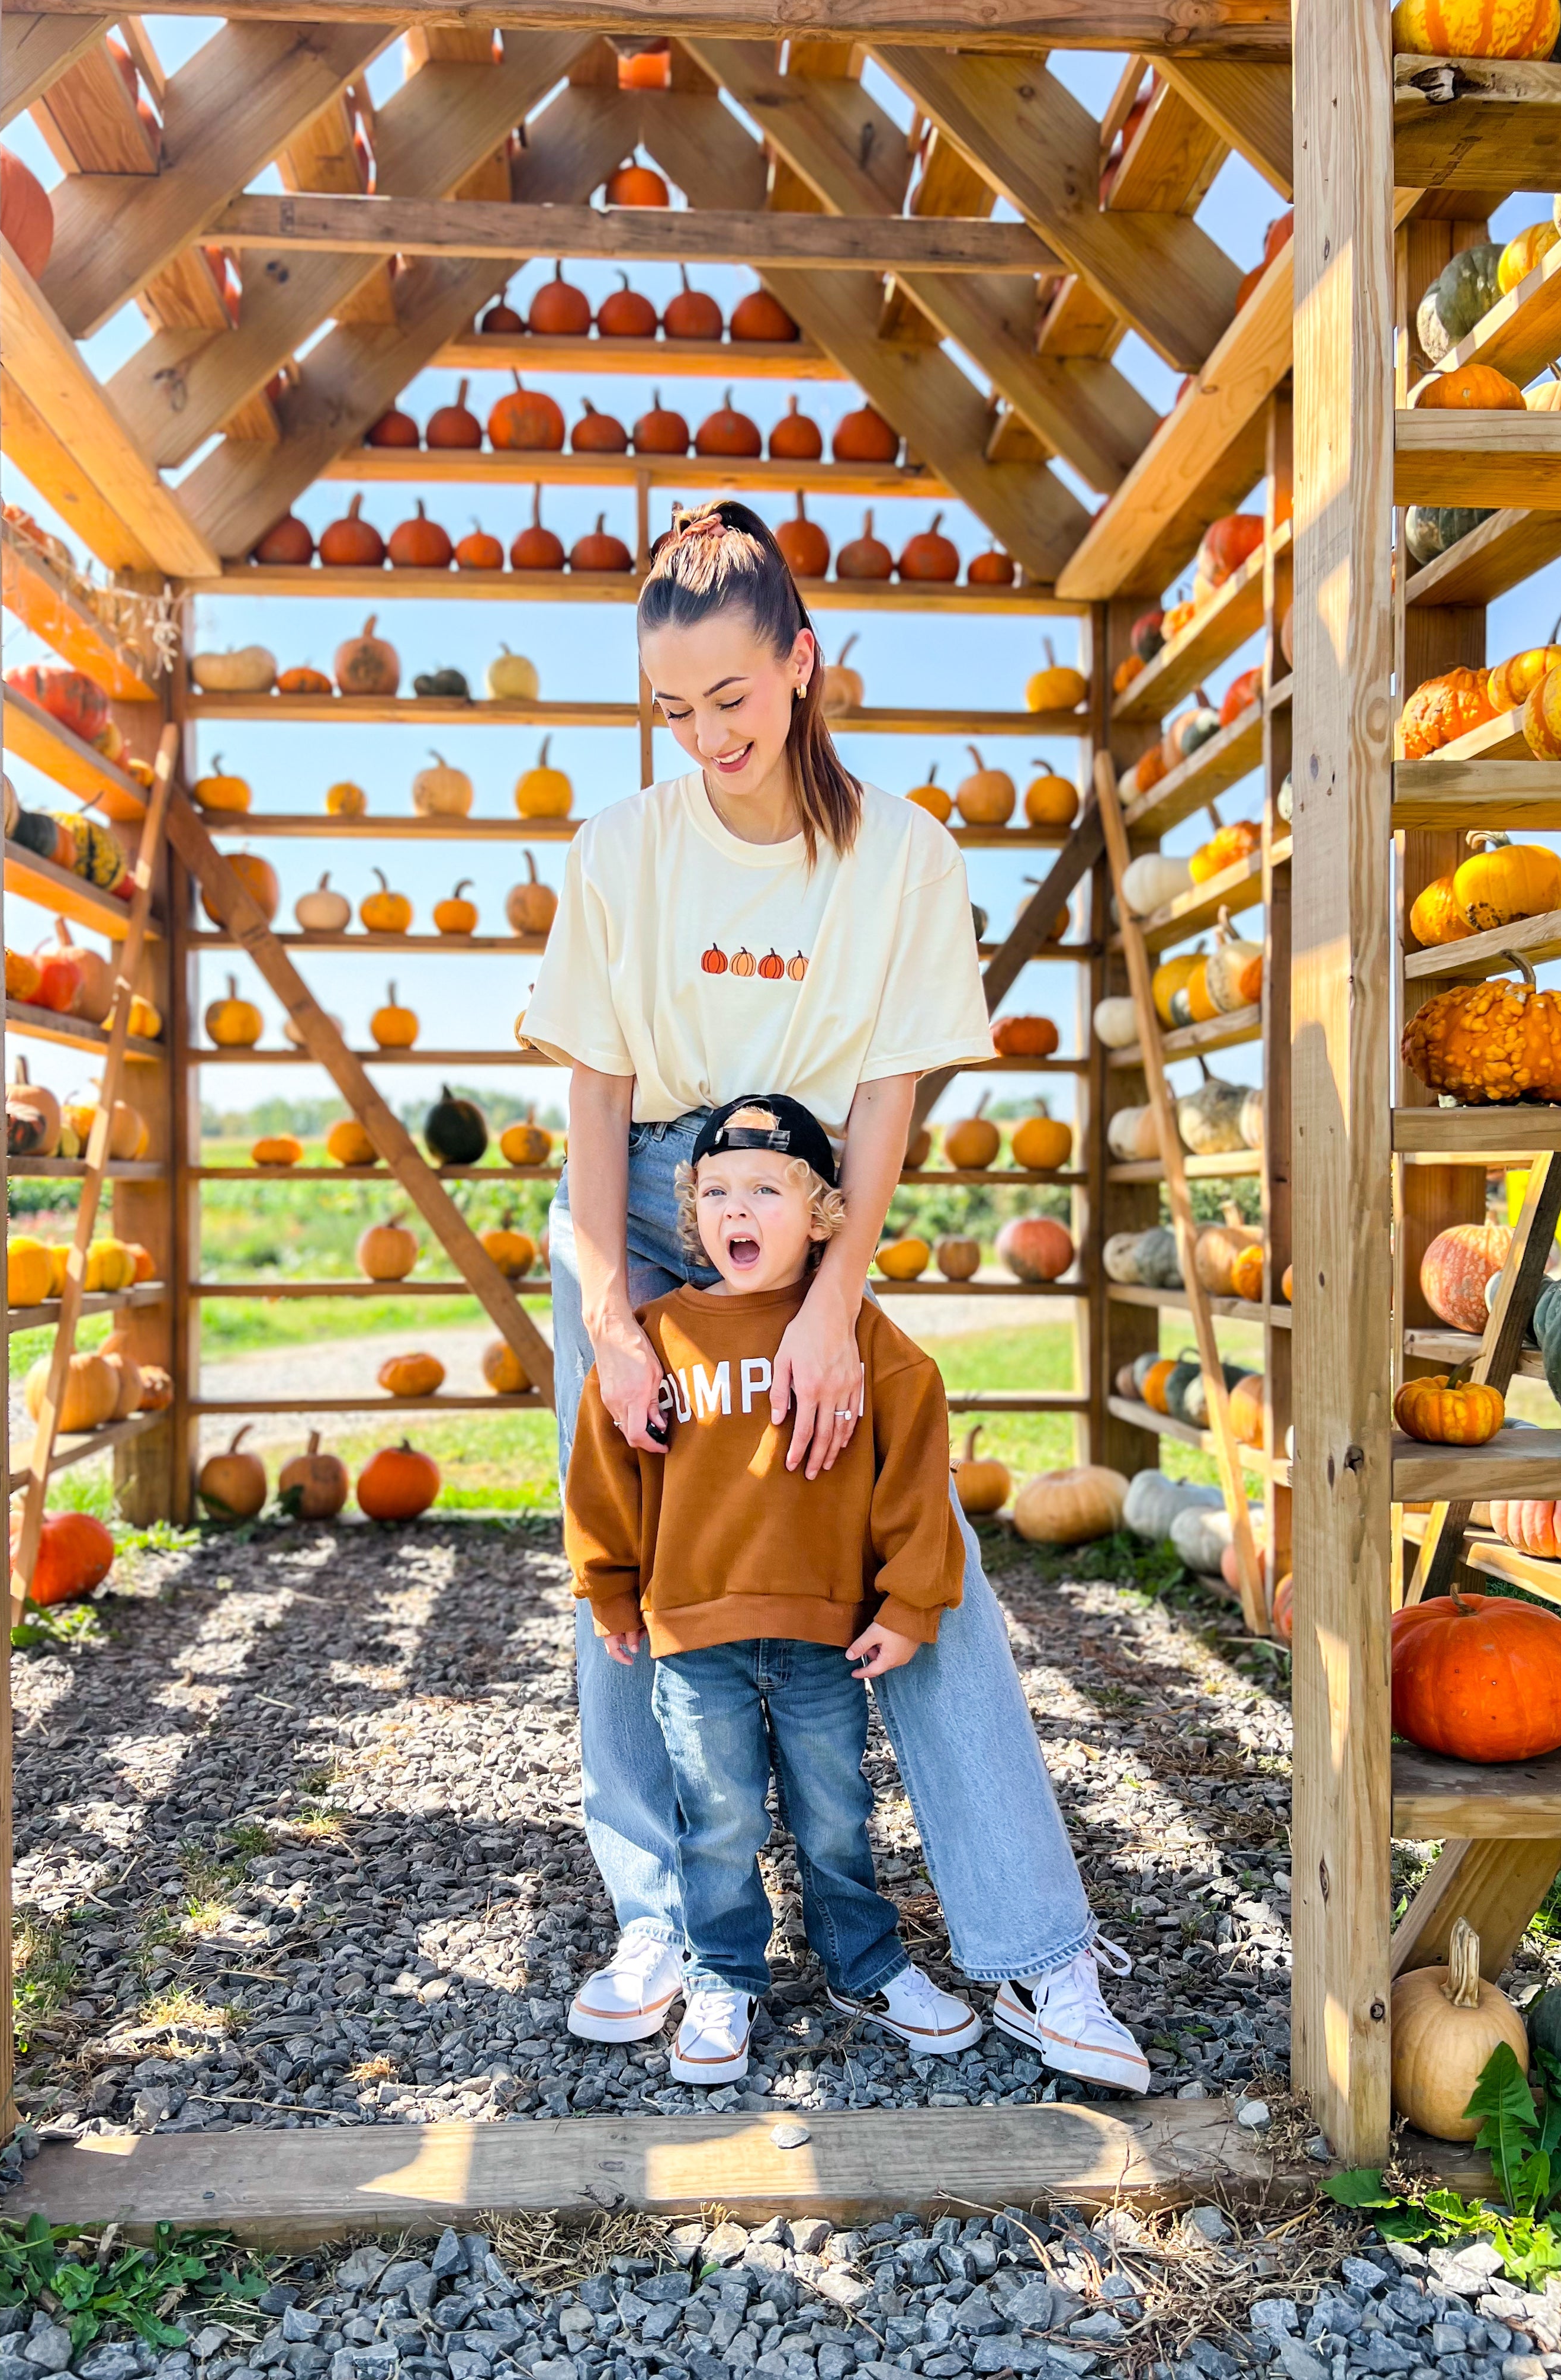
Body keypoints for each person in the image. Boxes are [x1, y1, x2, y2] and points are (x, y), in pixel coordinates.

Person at [519, 498, 1148, 2094]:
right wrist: (605, 1311)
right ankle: (661, 1917)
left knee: (909, 1539)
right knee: (633, 1550)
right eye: (673, 709)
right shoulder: (621, 856)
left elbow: (881, 1113)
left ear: (803, 667)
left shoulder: (907, 858)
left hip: (810, 1212)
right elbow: (595, 1110)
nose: (707, 735)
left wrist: (827, 1309)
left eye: (732, 696)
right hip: (651, 1206)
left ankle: (1030, 1942)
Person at [565, 1095, 983, 2083]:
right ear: (692, 1214)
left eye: (764, 1188)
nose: (734, 1209)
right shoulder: (658, 1338)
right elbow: (604, 1467)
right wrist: (612, 1588)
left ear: (824, 1214)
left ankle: (864, 1962)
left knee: (837, 1811)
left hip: (823, 1634)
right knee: (719, 1816)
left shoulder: (864, 1344)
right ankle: (725, 1973)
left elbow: (916, 1470)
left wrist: (909, 1601)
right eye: (714, 1192)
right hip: (693, 1635)